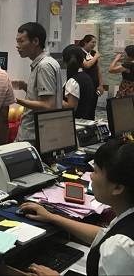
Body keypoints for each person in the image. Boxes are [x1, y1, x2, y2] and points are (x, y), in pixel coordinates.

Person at [20, 139, 134, 276]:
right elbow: (103, 234)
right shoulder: (127, 217)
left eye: (95, 171)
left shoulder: (121, 247)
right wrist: (52, 217)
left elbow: (115, 241)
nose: (91, 176)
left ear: (117, 188)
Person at [13, 22, 63, 143]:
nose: (17, 46)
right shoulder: (47, 62)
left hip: (34, 135)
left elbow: (47, 105)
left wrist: (15, 99)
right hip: (39, 133)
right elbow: (42, 96)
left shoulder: (44, 66)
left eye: (21, 41)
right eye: (17, 41)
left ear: (35, 41)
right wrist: (26, 87)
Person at [62, 45, 96, 120]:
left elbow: (71, 108)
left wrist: (56, 100)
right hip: (85, 118)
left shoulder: (73, 81)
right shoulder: (87, 77)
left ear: (64, 61)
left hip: (75, 122)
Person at [79, 34, 104, 111]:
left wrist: (101, 85)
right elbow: (87, 65)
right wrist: (96, 57)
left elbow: (99, 69)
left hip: (94, 83)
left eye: (95, 42)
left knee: (92, 105)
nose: (94, 44)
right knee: (84, 105)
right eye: (92, 42)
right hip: (84, 83)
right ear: (85, 42)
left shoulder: (93, 53)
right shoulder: (79, 52)